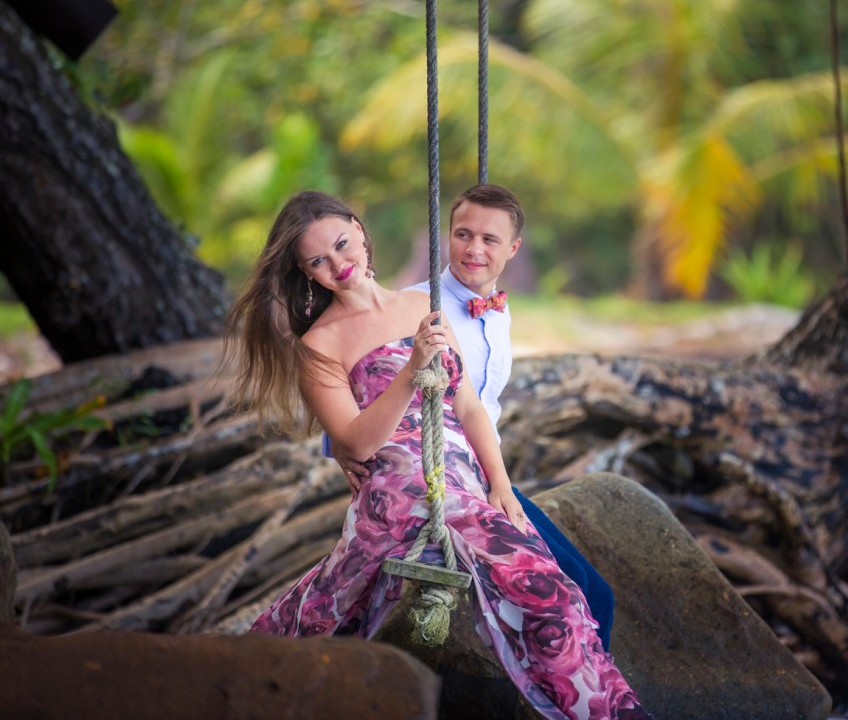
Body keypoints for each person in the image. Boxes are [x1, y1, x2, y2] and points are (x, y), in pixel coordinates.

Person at [227, 191, 651, 720]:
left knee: (567, 594)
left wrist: (500, 485)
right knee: (548, 595)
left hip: (465, 479)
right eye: (318, 260)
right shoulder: (320, 346)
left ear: (359, 230)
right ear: (305, 271)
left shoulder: (420, 307)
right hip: (406, 494)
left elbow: (468, 406)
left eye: (341, 244)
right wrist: (411, 372)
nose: (338, 263)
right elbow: (356, 443)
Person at [329, 183, 616, 650]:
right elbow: (360, 388)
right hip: (443, 487)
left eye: (489, 239)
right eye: (463, 235)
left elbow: (480, 406)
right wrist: (342, 452)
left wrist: (501, 485)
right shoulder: (416, 308)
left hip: (488, 476)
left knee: (595, 594)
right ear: (448, 236)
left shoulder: (498, 312)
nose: (473, 250)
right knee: (582, 596)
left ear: (513, 249)